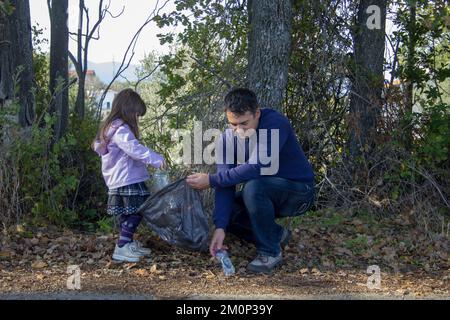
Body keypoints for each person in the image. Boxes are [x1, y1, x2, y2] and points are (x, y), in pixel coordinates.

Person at [187, 88, 314, 273]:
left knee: (253, 187)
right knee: (227, 212)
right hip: (264, 192)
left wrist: (211, 180)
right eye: (232, 124)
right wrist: (221, 227)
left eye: (244, 123)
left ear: (257, 113)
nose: (239, 131)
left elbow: (257, 166)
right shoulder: (226, 139)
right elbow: (225, 183)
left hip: (298, 192)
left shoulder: (274, 123)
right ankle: (277, 235)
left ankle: (270, 252)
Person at [92, 88, 165, 262]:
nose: (137, 118)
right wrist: (156, 159)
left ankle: (127, 242)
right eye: (136, 114)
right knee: (139, 211)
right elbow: (134, 149)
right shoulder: (120, 130)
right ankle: (123, 246)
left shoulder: (112, 127)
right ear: (128, 110)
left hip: (122, 178)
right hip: (128, 178)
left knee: (129, 212)